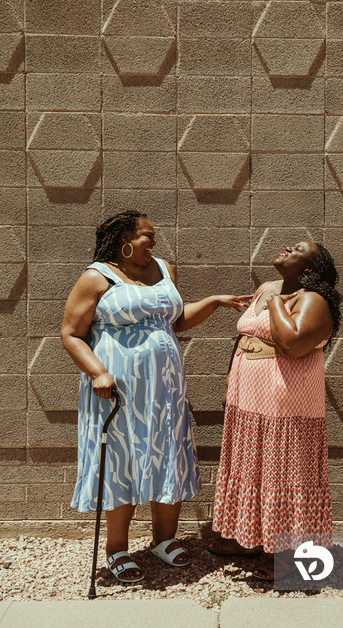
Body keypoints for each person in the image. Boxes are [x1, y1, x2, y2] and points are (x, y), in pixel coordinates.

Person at [61, 210, 250, 584]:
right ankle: (116, 548)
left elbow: (175, 322)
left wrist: (213, 301)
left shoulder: (163, 268)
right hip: (117, 389)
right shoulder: (96, 276)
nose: (154, 242)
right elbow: (70, 332)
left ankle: (164, 540)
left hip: (165, 389)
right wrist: (97, 371)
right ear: (125, 241)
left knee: (168, 454)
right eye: (147, 236)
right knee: (122, 459)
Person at [209, 241, 341, 581]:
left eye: (297, 249)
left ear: (309, 270)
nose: (286, 247)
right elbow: (242, 337)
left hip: (284, 399)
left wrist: (276, 306)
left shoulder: (313, 300)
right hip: (249, 395)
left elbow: (294, 342)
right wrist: (229, 381)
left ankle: (287, 552)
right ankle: (252, 538)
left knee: (283, 469)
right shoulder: (267, 287)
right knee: (253, 466)